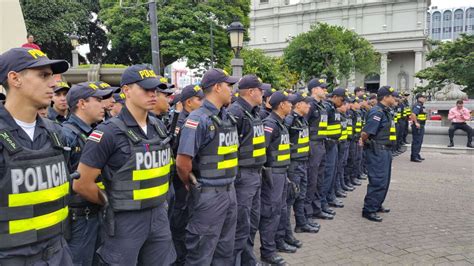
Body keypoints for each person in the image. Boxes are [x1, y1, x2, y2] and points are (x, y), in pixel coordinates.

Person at [73, 64, 176, 265]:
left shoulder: (158, 126)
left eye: (155, 89)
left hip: (158, 215)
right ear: (127, 90)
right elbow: (81, 183)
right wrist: (109, 201)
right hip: (125, 220)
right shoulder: (108, 133)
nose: (152, 94)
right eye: (145, 89)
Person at [0, 47, 72, 264]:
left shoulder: (57, 134)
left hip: (58, 252)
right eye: (43, 75)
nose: (53, 83)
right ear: (15, 79)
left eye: (52, 75)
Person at [175, 68, 239, 265]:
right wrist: (192, 184)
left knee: (224, 250)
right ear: (217, 87)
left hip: (229, 190)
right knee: (201, 253)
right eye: (229, 86)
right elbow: (182, 162)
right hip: (209, 193)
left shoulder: (226, 117)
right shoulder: (198, 119)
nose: (232, 90)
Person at [62, 82, 113, 266]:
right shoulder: (66, 135)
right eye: (98, 100)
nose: (104, 104)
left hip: (95, 213)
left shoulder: (94, 132)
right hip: (79, 218)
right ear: (82, 103)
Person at [226, 75, 267, 265]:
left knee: (252, 221)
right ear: (251, 92)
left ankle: (248, 259)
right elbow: (230, 149)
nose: (263, 93)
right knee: (241, 225)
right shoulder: (236, 112)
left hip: (255, 173)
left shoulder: (254, 111)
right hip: (243, 176)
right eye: (261, 90)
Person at [169, 84, 203, 266]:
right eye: (200, 99)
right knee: (180, 224)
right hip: (182, 181)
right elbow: (179, 158)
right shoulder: (181, 123)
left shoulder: (194, 120)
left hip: (191, 179)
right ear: (189, 102)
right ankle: (180, 258)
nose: (203, 102)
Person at [259, 91, 292, 265]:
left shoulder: (281, 123)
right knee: (271, 212)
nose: (291, 105)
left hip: (282, 172)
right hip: (272, 174)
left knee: (280, 210)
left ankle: (278, 242)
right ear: (281, 105)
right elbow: (261, 151)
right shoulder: (269, 124)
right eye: (288, 102)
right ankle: (267, 251)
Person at [284, 93, 319, 241]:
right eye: (306, 103)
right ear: (298, 105)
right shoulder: (290, 120)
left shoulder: (302, 120)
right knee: (292, 197)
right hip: (294, 164)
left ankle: (301, 223)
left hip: (303, 162)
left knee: (302, 195)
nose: (309, 106)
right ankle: (286, 234)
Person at [359, 86, 396, 222]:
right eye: (391, 96)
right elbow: (366, 132)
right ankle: (369, 210)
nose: (394, 98)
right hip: (377, 150)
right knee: (378, 180)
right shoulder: (377, 112)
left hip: (385, 150)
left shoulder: (386, 111)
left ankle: (377, 204)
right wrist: (363, 142)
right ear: (385, 97)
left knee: (385, 180)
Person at [305, 78, 333, 222]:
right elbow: (303, 125)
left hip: (321, 145)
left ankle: (317, 208)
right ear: (314, 89)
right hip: (312, 145)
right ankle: (307, 213)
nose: (325, 90)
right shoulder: (309, 105)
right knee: (312, 179)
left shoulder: (321, 106)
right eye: (322, 88)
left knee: (319, 179)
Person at [320, 88, 346, 214]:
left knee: (333, 172)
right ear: (335, 96)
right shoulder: (327, 107)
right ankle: (323, 202)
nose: (343, 102)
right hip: (328, 145)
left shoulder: (334, 108)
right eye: (342, 99)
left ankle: (330, 197)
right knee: (327, 174)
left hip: (335, 144)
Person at [410, 94, 427, 162]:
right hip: (418, 126)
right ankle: (414, 156)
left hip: (421, 125)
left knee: (419, 141)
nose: (424, 99)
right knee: (417, 141)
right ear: (419, 98)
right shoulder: (418, 105)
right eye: (423, 97)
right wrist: (416, 122)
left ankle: (417, 155)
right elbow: (413, 114)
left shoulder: (421, 105)